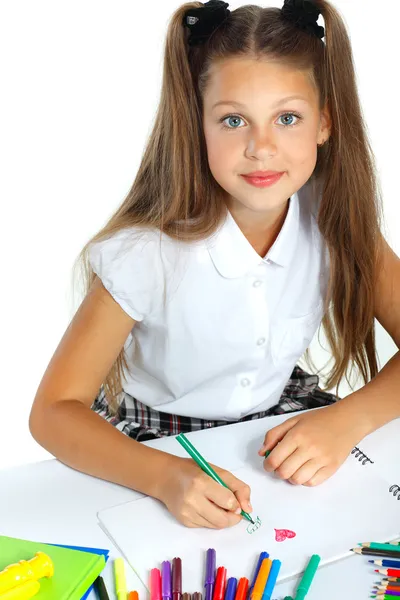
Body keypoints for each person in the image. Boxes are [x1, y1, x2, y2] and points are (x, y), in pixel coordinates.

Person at [29, 0, 400, 530]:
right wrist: (164, 476)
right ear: (197, 124)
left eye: (287, 118)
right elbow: (54, 411)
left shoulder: (337, 219)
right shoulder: (146, 251)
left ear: (324, 123)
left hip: (281, 422)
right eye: (233, 120)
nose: (261, 147)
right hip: (155, 439)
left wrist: (348, 419)